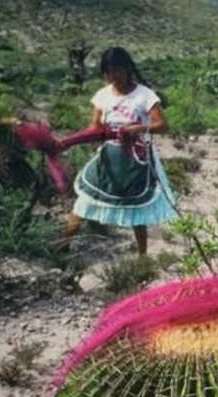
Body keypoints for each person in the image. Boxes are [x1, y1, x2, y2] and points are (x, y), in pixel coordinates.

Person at [62, 47, 177, 256]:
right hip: (108, 158)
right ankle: (62, 247)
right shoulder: (102, 95)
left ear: (127, 69)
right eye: (108, 72)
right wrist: (69, 141)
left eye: (117, 70)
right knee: (84, 202)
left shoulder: (144, 95)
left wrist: (139, 128)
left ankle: (143, 258)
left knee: (136, 210)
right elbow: (95, 128)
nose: (113, 76)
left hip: (134, 159)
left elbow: (162, 125)